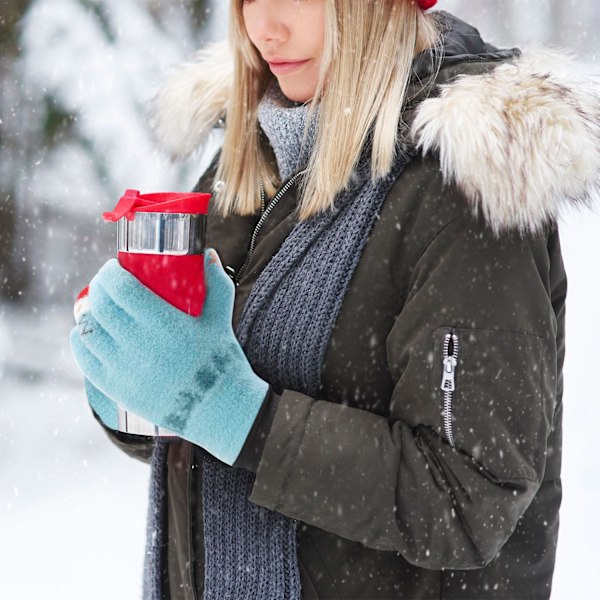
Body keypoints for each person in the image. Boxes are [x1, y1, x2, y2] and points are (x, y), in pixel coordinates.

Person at [70, 1, 600, 599]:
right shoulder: (257, 145)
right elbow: (198, 433)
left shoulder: (464, 187)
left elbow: (467, 499)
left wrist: (239, 414)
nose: (264, 28)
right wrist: (131, 380)